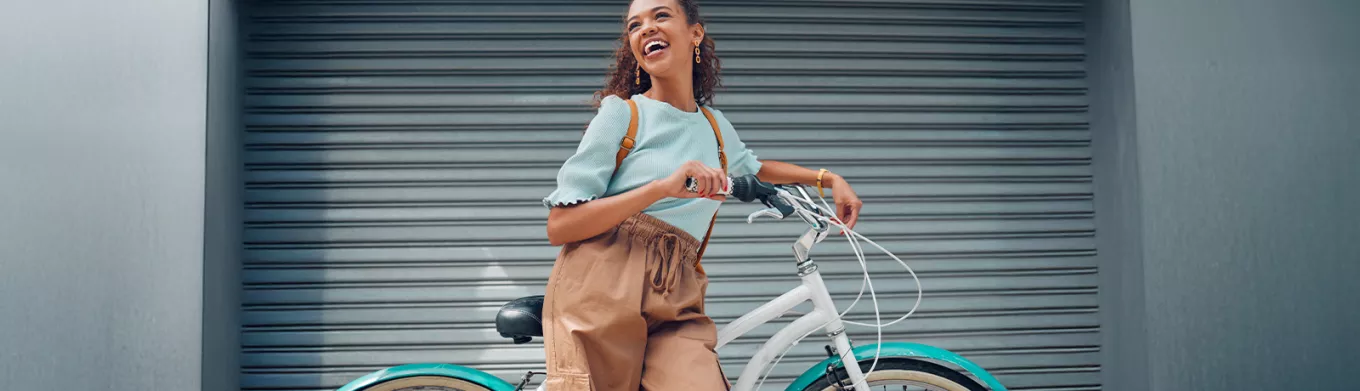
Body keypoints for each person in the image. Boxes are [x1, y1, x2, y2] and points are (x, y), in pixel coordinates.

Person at [539, 0, 863, 389]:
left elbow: (755, 168)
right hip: (600, 286)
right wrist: (660, 188)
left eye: (661, 15)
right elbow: (560, 225)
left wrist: (827, 179)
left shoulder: (714, 126)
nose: (646, 28)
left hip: (676, 291)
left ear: (695, 33)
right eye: (634, 25)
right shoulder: (621, 115)